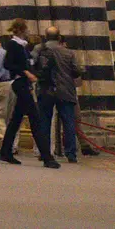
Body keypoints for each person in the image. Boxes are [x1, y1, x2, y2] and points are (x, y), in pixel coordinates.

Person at [0, 19, 59, 169]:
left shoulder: (23, 46)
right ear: (20, 30)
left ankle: (5, 151)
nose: (28, 31)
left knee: (16, 120)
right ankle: (47, 157)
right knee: (34, 118)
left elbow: (28, 63)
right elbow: (8, 64)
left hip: (25, 83)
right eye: (26, 29)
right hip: (19, 83)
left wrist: (34, 73)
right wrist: (25, 72)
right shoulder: (13, 44)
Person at [35, 27, 82, 163]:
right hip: (65, 90)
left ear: (46, 36)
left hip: (45, 89)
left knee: (44, 121)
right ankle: (71, 153)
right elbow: (76, 70)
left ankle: (44, 151)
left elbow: (32, 65)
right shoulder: (68, 52)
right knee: (68, 122)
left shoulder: (39, 50)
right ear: (59, 37)